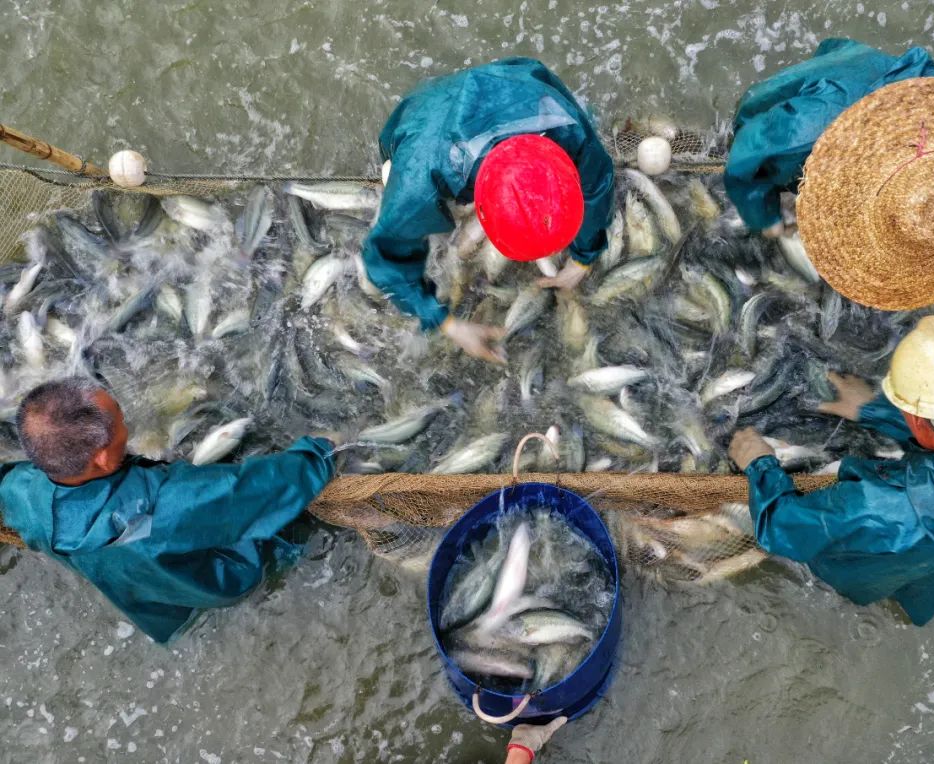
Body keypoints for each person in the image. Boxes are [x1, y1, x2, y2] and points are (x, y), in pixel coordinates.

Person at [729, 316, 934, 626]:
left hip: (867, 570)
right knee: (916, 595)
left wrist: (760, 464)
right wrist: (873, 410)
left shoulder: (874, 505)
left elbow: (780, 527)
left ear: (913, 417)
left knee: (859, 582)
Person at [0, 377, 335, 643]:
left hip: (151, 603)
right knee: (285, 525)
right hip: (223, 578)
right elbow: (258, 490)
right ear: (101, 458)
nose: (125, 425)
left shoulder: (19, 490)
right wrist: (319, 451)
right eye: (120, 423)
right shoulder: (165, 503)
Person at [364, 57, 615, 364]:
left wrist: (585, 256)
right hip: (424, 119)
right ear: (480, 211)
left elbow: (596, 182)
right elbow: (383, 257)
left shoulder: (568, 125)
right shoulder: (420, 181)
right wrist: (446, 323)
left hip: (516, 84)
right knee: (395, 183)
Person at [723, 38, 934, 237]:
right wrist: (767, 217)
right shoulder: (807, 128)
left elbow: (833, 45)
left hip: (859, 67)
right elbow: (746, 148)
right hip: (772, 120)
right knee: (762, 162)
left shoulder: (923, 89)